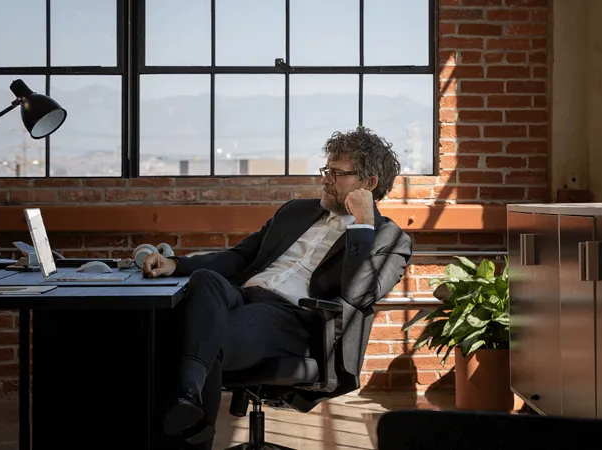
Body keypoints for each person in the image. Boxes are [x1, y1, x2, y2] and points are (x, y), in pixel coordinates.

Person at [140, 127, 413, 447]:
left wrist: (363, 223)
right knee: (205, 281)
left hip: (292, 321)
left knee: (196, 336)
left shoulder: (390, 240)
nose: (325, 179)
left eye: (336, 173)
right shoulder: (295, 211)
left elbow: (359, 294)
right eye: (326, 169)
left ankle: (187, 410)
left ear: (368, 184)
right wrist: (177, 264)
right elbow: (241, 256)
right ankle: (186, 403)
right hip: (240, 298)